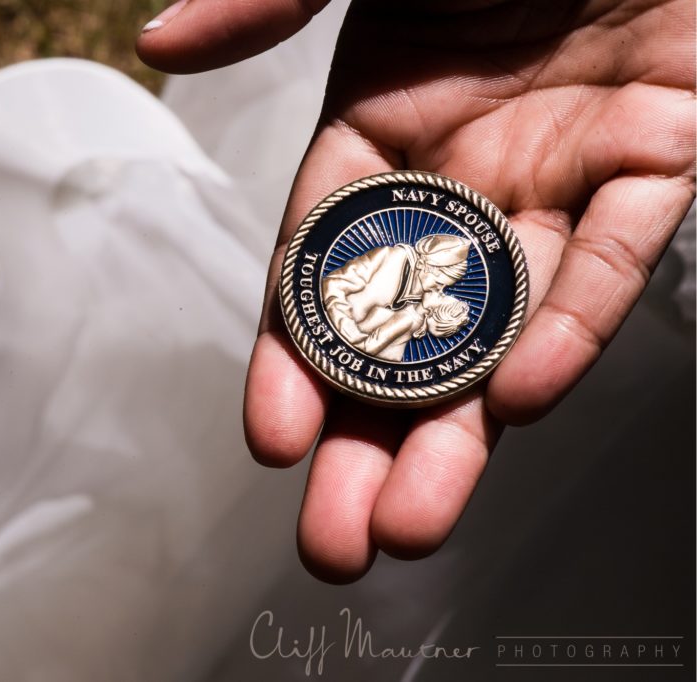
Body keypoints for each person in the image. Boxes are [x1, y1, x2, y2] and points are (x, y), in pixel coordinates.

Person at [138, 0, 696, 583]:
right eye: (441, 266)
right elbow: (350, 294)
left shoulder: (425, 299)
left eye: (451, 275)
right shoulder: (392, 260)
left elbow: (414, 320)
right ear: (425, 253)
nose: (442, 278)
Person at [321, 233, 471, 356]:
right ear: (423, 265)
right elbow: (333, 284)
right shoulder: (388, 257)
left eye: (446, 286)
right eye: (439, 282)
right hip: (328, 328)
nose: (441, 290)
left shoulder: (423, 304)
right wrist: (349, 333)